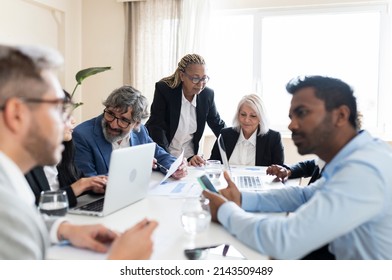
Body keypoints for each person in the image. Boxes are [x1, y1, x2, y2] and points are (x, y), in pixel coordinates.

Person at [203, 75, 392, 259]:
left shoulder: (364, 170)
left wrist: (224, 211)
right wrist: (242, 198)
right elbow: (304, 195)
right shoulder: (352, 157)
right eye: (291, 116)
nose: (292, 125)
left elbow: (283, 241)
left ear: (341, 115)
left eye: (302, 113)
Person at [0, 43, 157, 259]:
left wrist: (64, 229)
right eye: (59, 109)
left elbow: (27, 218)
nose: (70, 121)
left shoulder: (10, 182)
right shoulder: (4, 208)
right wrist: (120, 262)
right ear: (17, 114)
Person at [72, 85, 187, 179]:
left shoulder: (140, 131)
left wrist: (176, 166)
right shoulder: (82, 135)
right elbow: (88, 181)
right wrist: (136, 167)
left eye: (124, 120)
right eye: (110, 114)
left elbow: (160, 156)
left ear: (137, 124)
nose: (113, 124)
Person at [25, 92, 107, 207]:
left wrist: (92, 187)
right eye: (67, 116)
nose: (73, 121)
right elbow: (32, 207)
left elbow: (76, 183)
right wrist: (79, 186)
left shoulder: (65, 150)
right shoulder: (24, 162)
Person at [145, 54, 226, 167]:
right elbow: (157, 127)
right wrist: (166, 161)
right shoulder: (164, 90)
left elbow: (217, 124)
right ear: (182, 76)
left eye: (204, 78)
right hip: (164, 157)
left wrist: (237, 138)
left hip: (189, 160)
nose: (200, 84)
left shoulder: (207, 95)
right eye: (195, 78)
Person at [209, 94, 284, 166]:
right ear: (238, 115)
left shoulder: (273, 138)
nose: (246, 120)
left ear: (261, 118)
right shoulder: (225, 135)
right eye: (243, 114)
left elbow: (278, 171)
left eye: (253, 116)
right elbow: (213, 164)